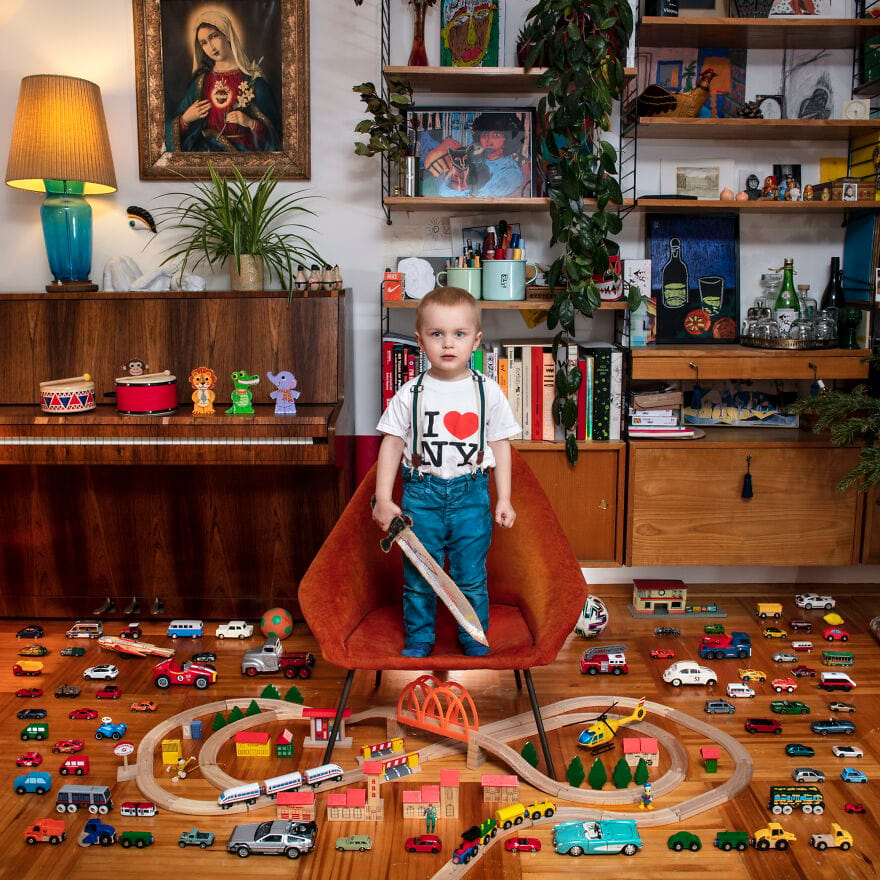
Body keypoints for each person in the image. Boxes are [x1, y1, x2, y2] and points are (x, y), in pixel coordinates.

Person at [373, 287, 520, 658]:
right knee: (420, 575)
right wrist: (385, 500)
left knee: (470, 576)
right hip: (421, 496)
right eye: (437, 334)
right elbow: (391, 443)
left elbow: (501, 444)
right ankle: (420, 639)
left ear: (476, 340)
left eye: (459, 334)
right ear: (421, 341)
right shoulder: (411, 392)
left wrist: (503, 498)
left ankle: (473, 636)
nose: (448, 343)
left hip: (471, 495)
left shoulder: (488, 391)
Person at [165, 9, 281, 152]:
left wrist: (250, 123)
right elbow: (169, 132)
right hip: (207, 158)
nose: (211, 47)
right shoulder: (201, 83)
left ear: (227, 35)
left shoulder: (253, 80)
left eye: (214, 36)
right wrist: (186, 119)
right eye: (204, 43)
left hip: (243, 158)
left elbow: (275, 134)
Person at [432, 113, 528, 197]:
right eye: (485, 134)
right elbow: (444, 181)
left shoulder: (510, 172)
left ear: (508, 139)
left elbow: (480, 198)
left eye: (497, 135)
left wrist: (444, 191)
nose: (488, 140)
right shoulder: (472, 158)